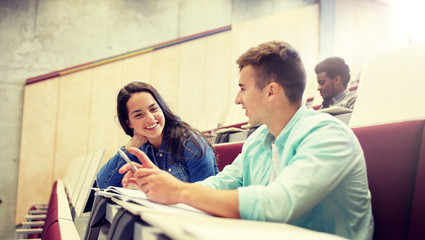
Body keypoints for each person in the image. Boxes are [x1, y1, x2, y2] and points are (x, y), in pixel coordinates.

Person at [119, 42, 374, 239]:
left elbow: (278, 205)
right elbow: (222, 184)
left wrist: (179, 191)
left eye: (243, 88)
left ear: (271, 91)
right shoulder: (259, 139)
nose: (237, 99)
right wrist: (160, 186)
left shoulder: (328, 135)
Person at [96, 81, 218, 188]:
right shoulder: (141, 149)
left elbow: (206, 194)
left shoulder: (190, 142)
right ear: (129, 123)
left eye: (153, 109)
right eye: (139, 115)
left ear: (162, 109)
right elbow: (103, 184)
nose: (150, 118)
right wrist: (131, 146)